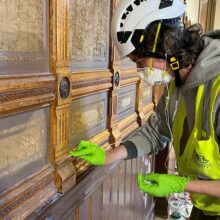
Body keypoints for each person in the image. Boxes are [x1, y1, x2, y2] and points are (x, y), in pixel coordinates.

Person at [70, 0, 220, 219]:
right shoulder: (177, 85)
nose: (140, 70)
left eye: (140, 61)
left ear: (164, 46)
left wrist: (182, 184)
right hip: (204, 209)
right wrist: (107, 156)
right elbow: (156, 131)